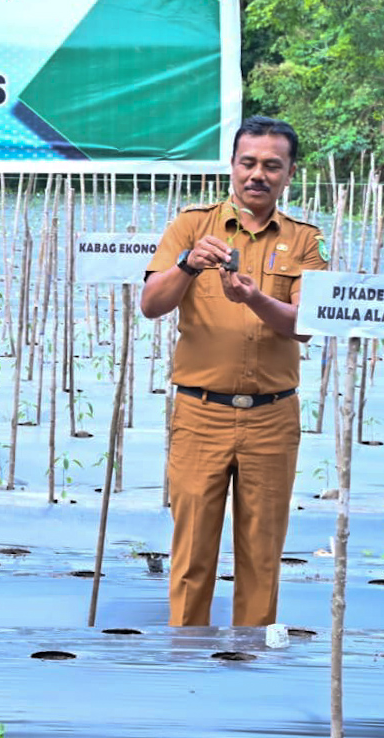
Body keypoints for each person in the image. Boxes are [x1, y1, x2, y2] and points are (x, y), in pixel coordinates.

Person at [140, 116, 328, 626]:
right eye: (248, 163)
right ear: (232, 165)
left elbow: (305, 326)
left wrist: (254, 298)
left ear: (289, 173)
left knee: (262, 550)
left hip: (272, 417)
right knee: (192, 548)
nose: (258, 174)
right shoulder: (191, 226)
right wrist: (187, 264)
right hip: (200, 412)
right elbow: (151, 305)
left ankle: (252, 655)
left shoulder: (305, 239)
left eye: (272, 165)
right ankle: (185, 650)